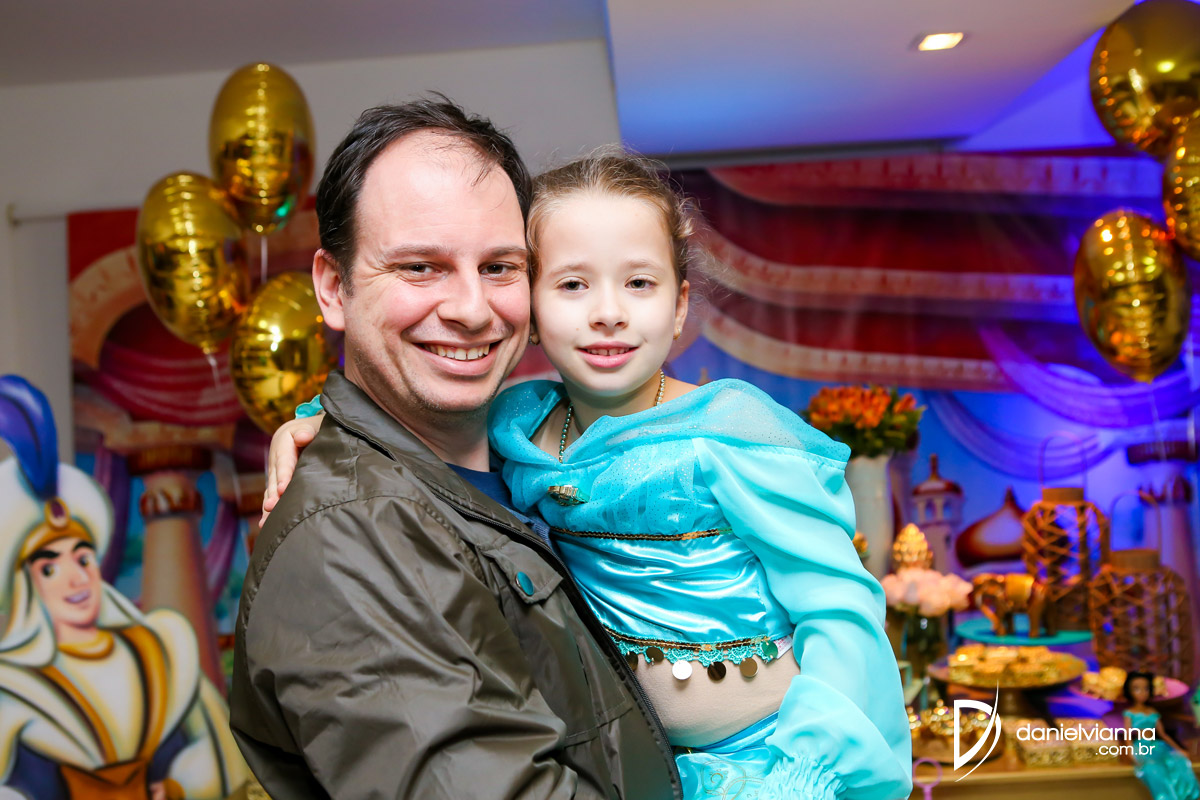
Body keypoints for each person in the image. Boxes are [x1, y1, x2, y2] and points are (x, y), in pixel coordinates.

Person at [269, 149, 913, 799]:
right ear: (529, 308)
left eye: (640, 283)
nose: (608, 312)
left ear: (680, 306)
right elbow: (408, 425)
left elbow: (839, 609)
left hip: (771, 762)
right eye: (573, 284)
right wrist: (319, 422)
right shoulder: (516, 427)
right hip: (635, 772)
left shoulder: (732, 434)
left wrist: (809, 772)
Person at [231, 99, 680, 800]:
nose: (472, 309)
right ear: (333, 287)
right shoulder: (349, 536)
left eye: (500, 267)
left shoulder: (535, 453)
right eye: (420, 267)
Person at [0, 375, 249, 800]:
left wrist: (181, 786)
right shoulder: (14, 684)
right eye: (51, 568)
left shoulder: (157, 652)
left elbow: (217, 751)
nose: (76, 578)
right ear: (27, 585)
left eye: (82, 559)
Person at [1122, 671, 1199, 800]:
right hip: (1141, 747)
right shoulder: (1130, 713)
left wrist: (1179, 749)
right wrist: (1130, 753)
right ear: (1129, 691)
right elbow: (1128, 735)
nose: (1142, 693)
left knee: (1178, 761)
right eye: (1136, 689)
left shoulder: (1152, 712)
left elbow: (1163, 734)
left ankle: (1186, 795)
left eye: (1146, 688)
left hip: (1157, 745)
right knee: (1153, 769)